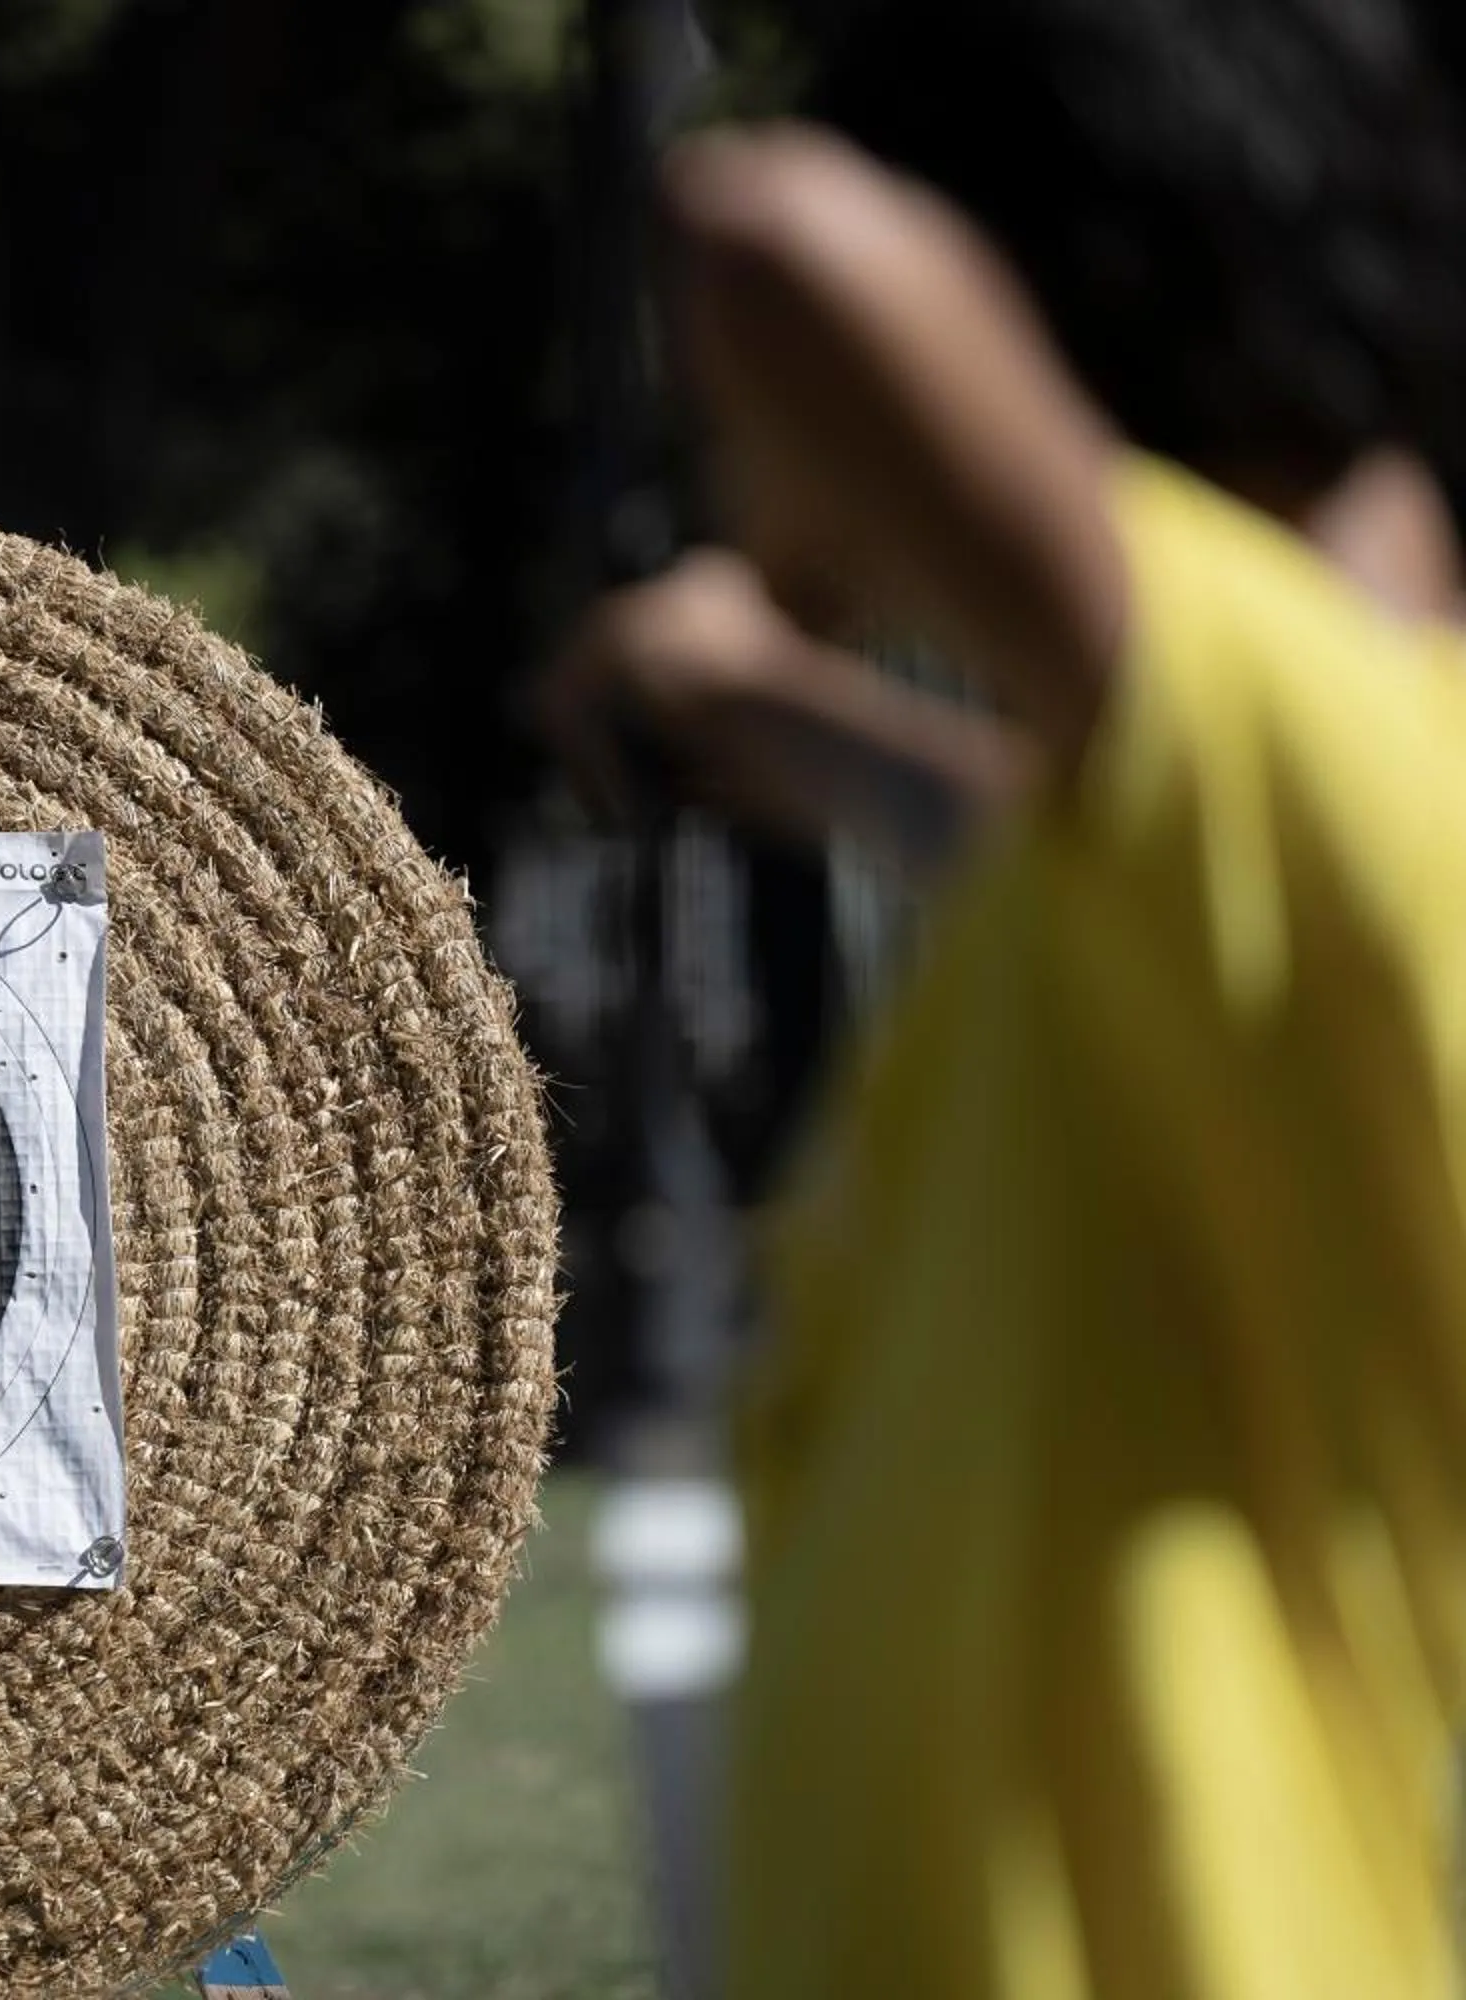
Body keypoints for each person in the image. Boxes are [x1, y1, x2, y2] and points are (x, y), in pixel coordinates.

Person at [542, 1, 1466, 1992]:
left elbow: (762, 227)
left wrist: (792, 552)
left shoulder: (1340, 755)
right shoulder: (1257, 836)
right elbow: (1003, 842)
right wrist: (774, 704)